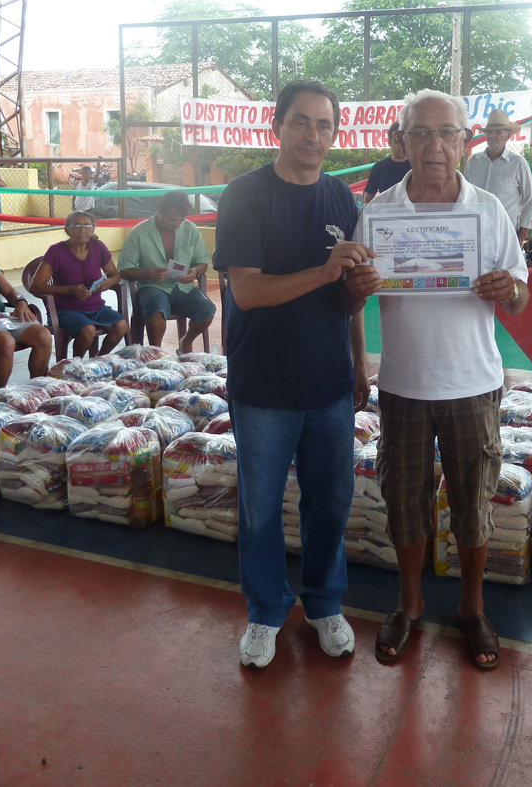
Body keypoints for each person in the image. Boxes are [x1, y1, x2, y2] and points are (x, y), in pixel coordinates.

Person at [345, 89, 529, 671]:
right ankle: (410, 602)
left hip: (473, 382)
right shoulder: (379, 213)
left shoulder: (488, 211)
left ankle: (472, 608)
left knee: (474, 502)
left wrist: (509, 290)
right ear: (401, 142)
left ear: (464, 142)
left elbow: (521, 294)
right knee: (405, 501)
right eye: (420, 133)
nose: (434, 146)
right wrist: (355, 301)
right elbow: (351, 300)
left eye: (447, 133)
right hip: (404, 384)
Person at [213, 78, 372, 670]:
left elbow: (349, 297)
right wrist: (324, 272)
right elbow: (247, 291)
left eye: (324, 124)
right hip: (263, 385)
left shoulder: (342, 200)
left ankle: (325, 602)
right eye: (300, 121)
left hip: (329, 383)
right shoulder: (245, 194)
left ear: (335, 134)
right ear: (276, 126)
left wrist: (359, 361)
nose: (312, 134)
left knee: (331, 499)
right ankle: (264, 612)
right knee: (260, 506)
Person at [118, 191, 215, 353]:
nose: (177, 224)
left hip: (184, 287)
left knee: (207, 310)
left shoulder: (190, 229)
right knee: (156, 308)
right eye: (172, 219)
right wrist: (148, 274)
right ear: (160, 212)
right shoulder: (139, 232)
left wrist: (195, 272)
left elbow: (202, 262)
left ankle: (186, 341)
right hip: (152, 287)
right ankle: (156, 352)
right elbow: (124, 269)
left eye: (181, 220)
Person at [31, 211, 129, 357]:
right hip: (65, 310)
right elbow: (35, 285)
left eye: (87, 226)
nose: (83, 230)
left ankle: (98, 360)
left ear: (93, 229)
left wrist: (108, 282)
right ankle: (76, 363)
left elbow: (115, 275)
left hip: (96, 307)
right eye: (76, 225)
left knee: (121, 326)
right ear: (67, 230)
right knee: (88, 330)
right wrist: (69, 290)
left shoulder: (98, 247)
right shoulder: (56, 251)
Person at [463, 108, 532, 245]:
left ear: (508, 135)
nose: (492, 135)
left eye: (498, 132)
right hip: (474, 234)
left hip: (506, 235)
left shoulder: (518, 163)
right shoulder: (473, 162)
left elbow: (531, 199)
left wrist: (521, 236)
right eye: (489, 132)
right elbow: (464, 196)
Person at [0, 249, 52, 387]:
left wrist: (20, 301)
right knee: (6, 341)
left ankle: (36, 390)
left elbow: (10, 291)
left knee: (43, 335)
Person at [363, 122, 409, 204]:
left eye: (404, 142)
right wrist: (367, 211)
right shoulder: (378, 168)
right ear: (389, 142)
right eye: (397, 142)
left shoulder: (417, 166)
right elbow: (368, 196)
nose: (401, 146)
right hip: (386, 211)